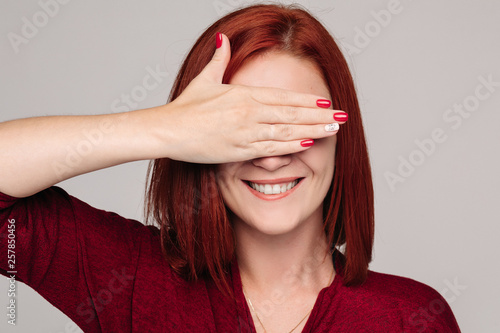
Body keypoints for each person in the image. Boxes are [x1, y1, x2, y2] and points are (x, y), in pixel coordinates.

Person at [0, 4, 460, 333]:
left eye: (297, 124)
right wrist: (163, 128)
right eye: (245, 128)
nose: (272, 156)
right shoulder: (130, 281)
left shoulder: (411, 318)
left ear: (342, 137)